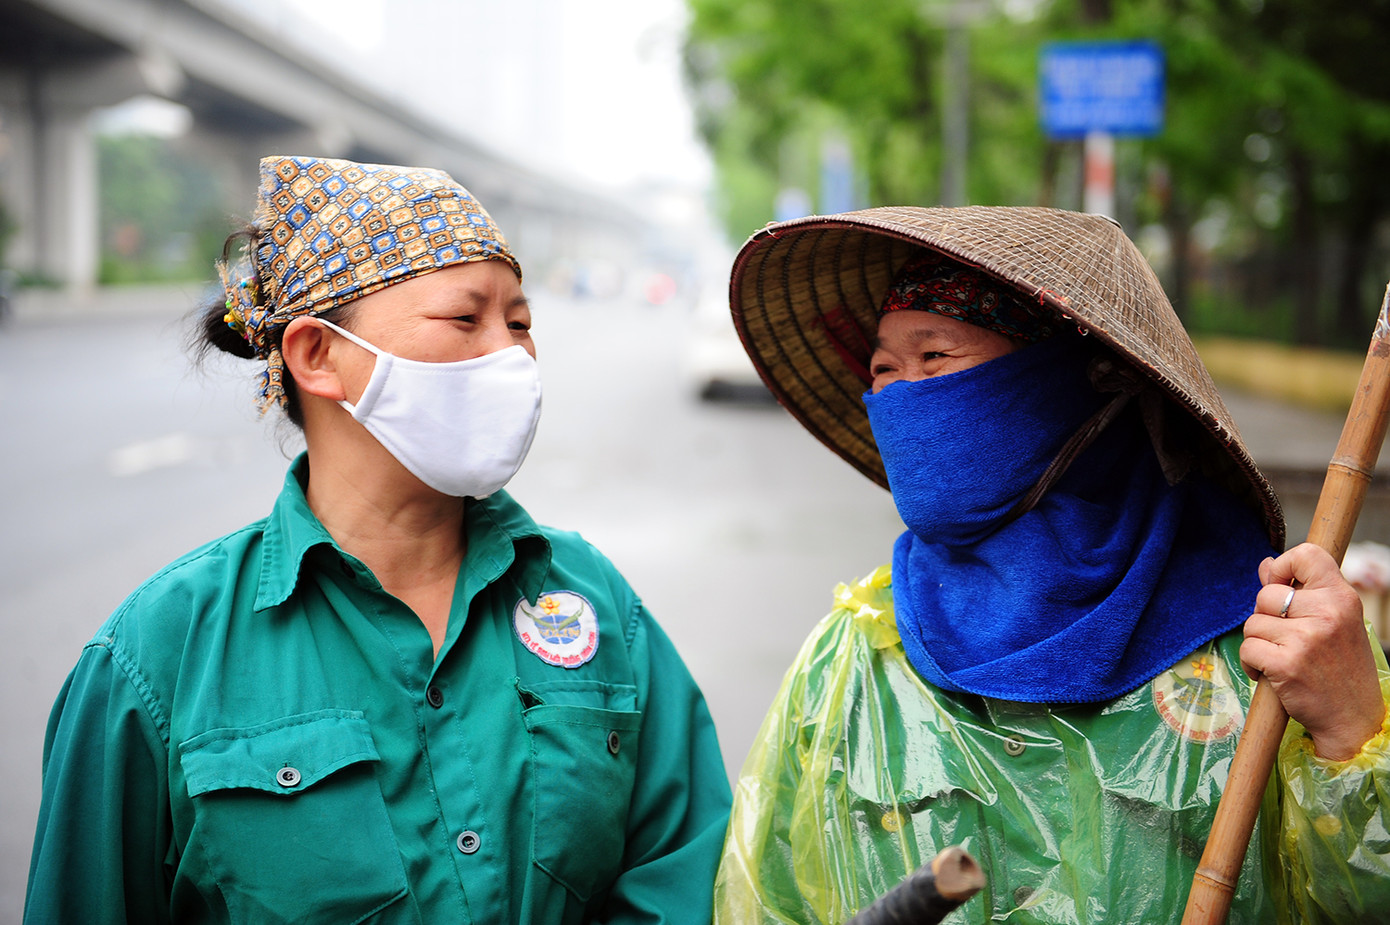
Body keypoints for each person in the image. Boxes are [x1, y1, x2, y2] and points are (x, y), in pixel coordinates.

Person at [24, 155, 731, 925]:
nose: (512, 354)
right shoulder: (156, 658)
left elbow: (687, 876)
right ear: (317, 355)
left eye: (520, 322)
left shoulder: (594, 603)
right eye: (466, 320)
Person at [711, 206, 1390, 924]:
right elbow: (766, 900)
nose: (902, 394)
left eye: (936, 358)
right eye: (884, 368)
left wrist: (1350, 730)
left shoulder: (1271, 644)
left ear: (1063, 387)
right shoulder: (850, 661)